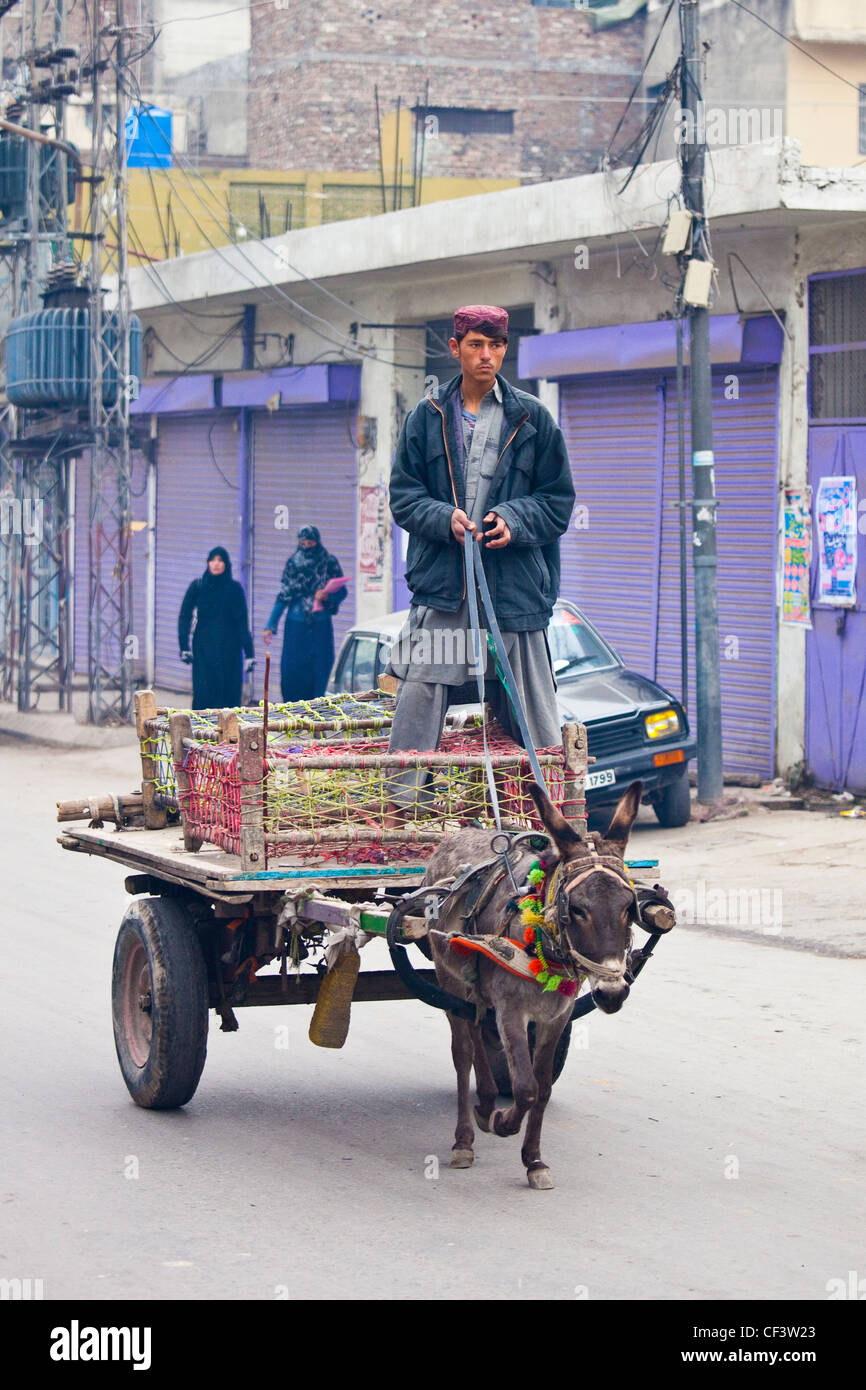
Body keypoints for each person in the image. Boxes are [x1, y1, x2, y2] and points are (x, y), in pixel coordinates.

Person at [387, 303, 575, 780]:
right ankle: (400, 808)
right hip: (450, 598)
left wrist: (514, 518)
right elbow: (404, 497)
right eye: (475, 345)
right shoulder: (425, 418)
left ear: (505, 349)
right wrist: (442, 518)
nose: (486, 355)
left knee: (533, 708)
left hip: (512, 601)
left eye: (495, 346)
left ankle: (552, 809)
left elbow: (557, 501)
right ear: (456, 349)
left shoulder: (533, 418)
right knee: (421, 694)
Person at [263, 525, 347, 702]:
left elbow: (342, 591)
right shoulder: (294, 563)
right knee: (292, 673)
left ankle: (317, 718)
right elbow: (283, 595)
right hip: (296, 626)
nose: (307, 546)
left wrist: (326, 596)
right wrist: (270, 625)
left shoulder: (329, 562)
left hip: (320, 626)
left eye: (311, 542)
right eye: (303, 543)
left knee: (320, 671)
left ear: (317, 542)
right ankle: (294, 718)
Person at [178, 546, 254, 710]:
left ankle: (228, 735)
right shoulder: (198, 586)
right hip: (204, 650)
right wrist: (184, 646)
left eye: (220, 560)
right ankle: (201, 734)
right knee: (204, 695)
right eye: (213, 560)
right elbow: (184, 616)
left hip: (230, 651)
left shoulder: (234, 589)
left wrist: (249, 654)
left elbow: (242, 622)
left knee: (228, 698)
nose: (216, 564)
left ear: (226, 564)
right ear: (208, 563)